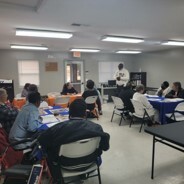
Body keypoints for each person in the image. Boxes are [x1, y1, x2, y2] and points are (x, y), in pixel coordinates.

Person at [38, 99, 110, 184]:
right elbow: (105, 147)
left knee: (47, 150)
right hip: (90, 161)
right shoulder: (97, 128)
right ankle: (83, 174)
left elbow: (41, 141)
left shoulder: (57, 129)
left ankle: (58, 180)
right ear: (85, 113)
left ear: (69, 113)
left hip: (65, 163)